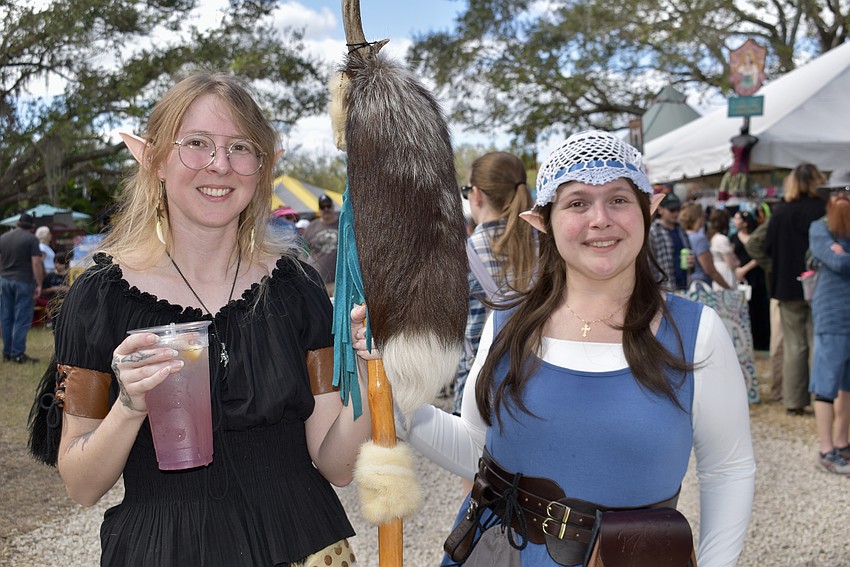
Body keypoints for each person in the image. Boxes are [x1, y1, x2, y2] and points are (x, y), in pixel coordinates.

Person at [356, 131, 755, 566]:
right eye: (577, 203)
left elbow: (727, 470)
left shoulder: (697, 332)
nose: (600, 219)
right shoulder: (509, 324)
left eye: (619, 199)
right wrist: (392, 388)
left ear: (648, 210)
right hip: (498, 555)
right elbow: (475, 448)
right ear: (542, 221)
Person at [29, 72, 372, 566]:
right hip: (164, 549)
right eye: (196, 144)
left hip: (304, 547)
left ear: (261, 168)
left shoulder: (297, 287)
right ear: (155, 161)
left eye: (240, 148)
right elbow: (82, 486)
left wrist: (366, 371)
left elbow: (337, 466)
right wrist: (128, 405)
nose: (220, 165)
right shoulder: (99, 298)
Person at [454, 151, 537, 415]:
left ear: (476, 194)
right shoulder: (548, 247)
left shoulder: (463, 254)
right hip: (538, 387)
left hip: (480, 394)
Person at [765, 163, 827, 415]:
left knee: (794, 345)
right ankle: (822, 398)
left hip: (787, 284)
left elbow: (767, 246)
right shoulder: (823, 209)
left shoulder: (780, 212)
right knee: (818, 342)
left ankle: (793, 401)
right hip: (821, 283)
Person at [808, 168, 850, 473]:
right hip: (832, 316)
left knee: (847, 384)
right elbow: (835, 261)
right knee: (825, 384)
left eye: (846, 193)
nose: (841, 198)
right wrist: (840, 256)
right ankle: (826, 449)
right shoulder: (819, 228)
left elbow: (840, 260)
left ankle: (842, 442)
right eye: (837, 193)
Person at [744, 203, 784, 401]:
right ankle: (783, 391)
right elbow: (753, 245)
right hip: (783, 289)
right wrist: (774, 267)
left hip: (784, 289)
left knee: (784, 343)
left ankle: (787, 391)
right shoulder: (777, 218)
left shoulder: (778, 217)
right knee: (783, 342)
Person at [0, 212, 44, 363]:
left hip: (5, 280)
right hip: (23, 281)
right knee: (22, 317)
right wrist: (39, 283)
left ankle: (7, 352)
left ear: (18, 224)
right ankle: (17, 353)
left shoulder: (4, 238)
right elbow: (36, 263)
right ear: (32, 227)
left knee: (6, 317)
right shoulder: (31, 239)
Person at [731, 209, 770, 351]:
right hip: (741, 278)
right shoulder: (733, 237)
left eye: (737, 218)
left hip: (756, 276)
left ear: (745, 222)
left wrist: (745, 269)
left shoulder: (756, 238)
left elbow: (760, 255)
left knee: (760, 307)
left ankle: (763, 340)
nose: (734, 222)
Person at [679, 202, 732, 289]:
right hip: (700, 285)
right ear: (699, 218)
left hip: (687, 284)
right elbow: (710, 270)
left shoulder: (682, 236)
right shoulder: (699, 239)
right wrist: (728, 288)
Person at [648, 191, 692, 291]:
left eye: (678, 209)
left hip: (685, 287)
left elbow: (689, 255)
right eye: (672, 210)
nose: (676, 213)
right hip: (664, 289)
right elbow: (648, 265)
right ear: (660, 210)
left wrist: (691, 262)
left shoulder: (681, 229)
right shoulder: (653, 231)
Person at [304, 193, 339, 296]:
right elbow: (304, 253)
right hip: (318, 282)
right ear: (319, 209)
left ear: (333, 207)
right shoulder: (311, 227)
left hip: (339, 282)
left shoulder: (342, 224)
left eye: (328, 206)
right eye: (323, 207)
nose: (326, 209)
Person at [37, 250, 71, 327]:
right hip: (52, 303)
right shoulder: (50, 276)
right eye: (55, 263)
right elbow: (42, 291)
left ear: (66, 263)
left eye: (59, 263)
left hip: (67, 303)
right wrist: (52, 289)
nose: (56, 265)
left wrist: (64, 289)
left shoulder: (71, 275)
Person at [707, 208, 739, 291]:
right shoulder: (721, 239)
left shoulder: (710, 236)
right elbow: (730, 263)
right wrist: (737, 262)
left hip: (717, 268)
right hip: (724, 273)